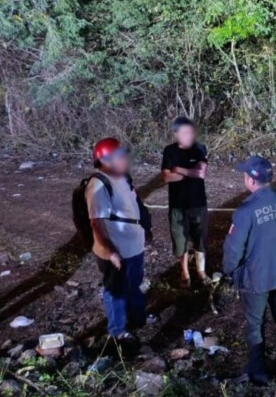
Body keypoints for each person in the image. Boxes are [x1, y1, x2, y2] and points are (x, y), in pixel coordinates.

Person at [223, 156, 276, 385]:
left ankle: (258, 372)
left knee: (255, 322)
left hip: (256, 276)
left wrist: (229, 271)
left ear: (250, 180)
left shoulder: (245, 210)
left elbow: (233, 249)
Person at [86, 138, 147, 341]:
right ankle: (117, 331)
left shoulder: (122, 177)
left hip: (133, 244)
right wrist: (110, 251)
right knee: (115, 291)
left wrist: (145, 228)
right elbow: (97, 223)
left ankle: (138, 319)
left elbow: (133, 205)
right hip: (116, 249)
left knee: (134, 284)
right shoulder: (98, 184)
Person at [161, 117, 210, 286]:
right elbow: (167, 177)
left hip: (198, 203)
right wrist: (192, 171)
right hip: (177, 205)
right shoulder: (169, 151)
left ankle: (201, 271)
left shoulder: (199, 148)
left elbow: (202, 174)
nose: (189, 135)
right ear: (176, 134)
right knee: (180, 241)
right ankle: (185, 272)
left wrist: (179, 169)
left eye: (191, 132)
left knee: (200, 239)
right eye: (184, 132)